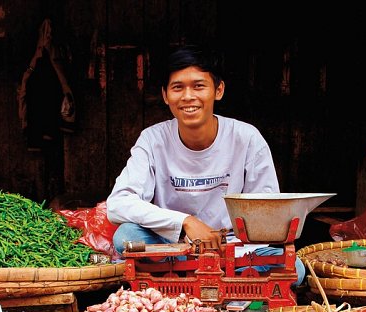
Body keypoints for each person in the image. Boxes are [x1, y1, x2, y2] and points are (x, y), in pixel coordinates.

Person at [106, 45, 305, 285]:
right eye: (178, 87)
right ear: (165, 95)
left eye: (199, 86)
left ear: (218, 90)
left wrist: (226, 242)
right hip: (176, 246)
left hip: (234, 250)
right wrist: (185, 223)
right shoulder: (153, 139)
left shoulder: (246, 138)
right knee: (125, 235)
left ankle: (185, 277)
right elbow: (118, 204)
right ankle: (213, 277)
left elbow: (267, 209)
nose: (188, 96)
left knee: (295, 268)